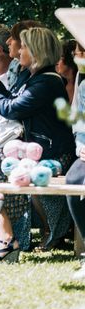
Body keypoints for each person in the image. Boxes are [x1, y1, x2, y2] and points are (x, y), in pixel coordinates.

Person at [0, 27, 76, 261]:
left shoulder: (47, 82)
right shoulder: (36, 78)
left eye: (22, 46)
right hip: (33, 153)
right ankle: (2, 227)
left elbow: (12, 109)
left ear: (35, 50)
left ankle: (3, 231)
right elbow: (15, 102)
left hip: (50, 157)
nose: (19, 51)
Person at [66, 40, 85, 279]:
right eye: (76, 52)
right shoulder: (83, 84)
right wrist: (82, 147)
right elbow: (79, 126)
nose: (77, 56)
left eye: (81, 52)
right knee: (73, 180)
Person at [6, 20, 44, 91]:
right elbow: (11, 98)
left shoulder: (41, 77)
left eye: (13, 37)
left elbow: (14, 101)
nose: (7, 41)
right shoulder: (15, 65)